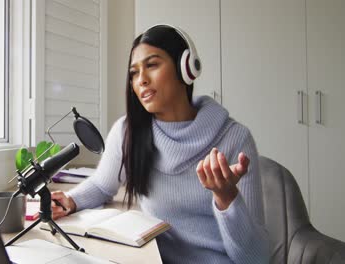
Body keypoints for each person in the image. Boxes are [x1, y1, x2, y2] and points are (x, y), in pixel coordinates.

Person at [49, 24, 269, 263]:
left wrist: (227, 198)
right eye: (134, 73)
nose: (141, 80)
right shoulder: (128, 131)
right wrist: (71, 201)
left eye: (152, 65)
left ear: (186, 69)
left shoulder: (234, 139)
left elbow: (255, 259)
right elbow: (103, 186)